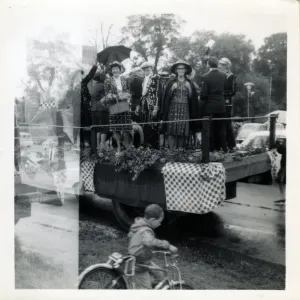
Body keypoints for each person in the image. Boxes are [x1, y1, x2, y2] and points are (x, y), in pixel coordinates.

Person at [128, 204, 178, 289]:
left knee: (160, 274)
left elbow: (133, 238)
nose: (159, 224)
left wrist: (147, 249)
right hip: (138, 265)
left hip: (142, 260)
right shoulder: (146, 230)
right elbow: (149, 241)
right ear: (153, 220)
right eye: (159, 222)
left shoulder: (139, 225)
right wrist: (168, 245)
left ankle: (151, 285)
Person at [160, 60, 201, 150]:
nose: (181, 70)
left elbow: (192, 98)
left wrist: (189, 89)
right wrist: (172, 89)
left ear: (186, 70)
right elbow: (166, 97)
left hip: (185, 107)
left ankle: (180, 149)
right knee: (172, 127)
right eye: (179, 68)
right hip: (173, 107)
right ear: (176, 70)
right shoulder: (171, 82)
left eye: (183, 68)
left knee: (182, 127)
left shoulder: (190, 83)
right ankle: (171, 150)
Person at [102, 61, 132, 154]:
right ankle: (119, 147)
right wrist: (112, 95)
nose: (115, 70)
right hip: (114, 105)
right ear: (111, 71)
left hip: (124, 105)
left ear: (120, 69)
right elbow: (106, 93)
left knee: (126, 128)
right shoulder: (107, 80)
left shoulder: (125, 79)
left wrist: (126, 96)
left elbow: (128, 91)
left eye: (117, 68)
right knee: (116, 128)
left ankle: (127, 147)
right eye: (113, 69)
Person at [200, 56, 228, 152]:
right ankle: (223, 148)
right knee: (221, 129)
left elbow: (203, 94)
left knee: (210, 129)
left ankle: (211, 150)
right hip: (221, 105)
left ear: (208, 64)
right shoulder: (224, 76)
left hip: (210, 106)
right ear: (217, 64)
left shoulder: (206, 77)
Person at [69, 60, 98, 147]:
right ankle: (77, 142)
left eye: (80, 75)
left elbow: (90, 75)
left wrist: (95, 66)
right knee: (77, 124)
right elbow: (68, 97)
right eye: (77, 76)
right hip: (76, 108)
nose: (79, 77)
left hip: (85, 107)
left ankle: (87, 141)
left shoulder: (84, 82)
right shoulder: (71, 87)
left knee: (87, 123)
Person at [135, 61, 162, 149]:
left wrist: (156, 108)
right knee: (144, 125)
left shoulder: (156, 78)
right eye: (144, 69)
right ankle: (145, 146)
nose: (146, 70)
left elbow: (158, 93)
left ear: (151, 68)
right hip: (144, 105)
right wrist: (138, 106)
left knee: (153, 125)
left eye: (148, 68)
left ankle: (154, 148)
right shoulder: (143, 79)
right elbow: (142, 94)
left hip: (152, 105)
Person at [218, 57, 237, 151]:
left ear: (226, 66)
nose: (219, 68)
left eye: (221, 66)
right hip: (219, 102)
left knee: (227, 123)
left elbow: (233, 91)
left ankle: (231, 145)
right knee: (219, 124)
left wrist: (223, 93)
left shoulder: (231, 76)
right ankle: (222, 144)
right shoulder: (219, 75)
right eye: (219, 66)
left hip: (227, 102)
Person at [91, 67, 109, 151]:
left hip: (94, 109)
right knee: (104, 128)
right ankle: (102, 146)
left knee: (98, 128)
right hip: (102, 109)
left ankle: (98, 145)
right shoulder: (103, 85)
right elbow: (108, 96)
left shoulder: (95, 86)